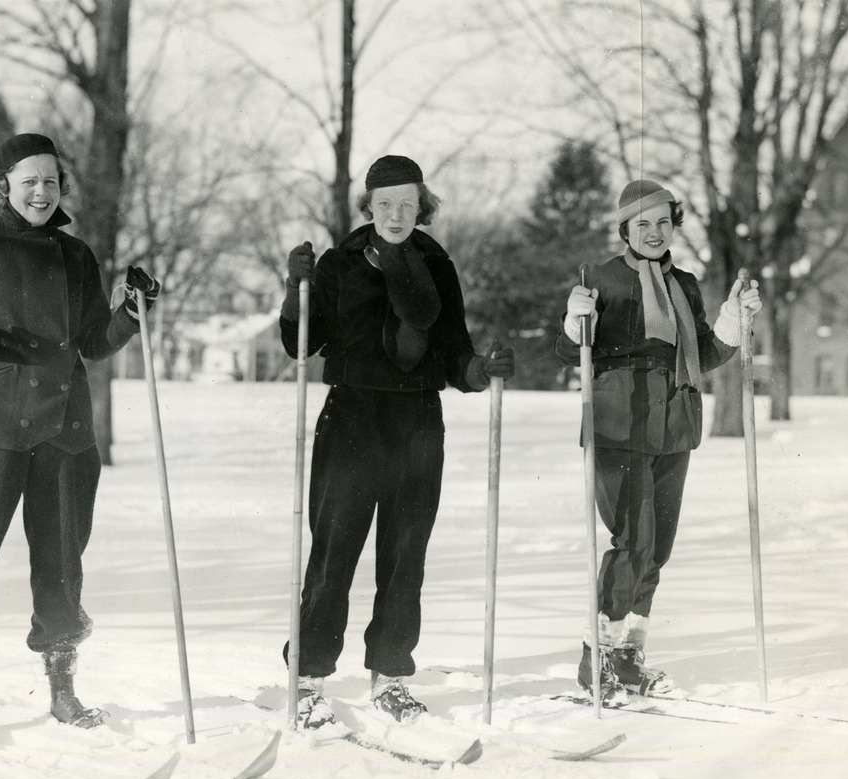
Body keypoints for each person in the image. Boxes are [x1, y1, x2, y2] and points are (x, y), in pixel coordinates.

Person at [0, 133, 160, 739]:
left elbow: (94, 343)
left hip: (64, 429)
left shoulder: (76, 255)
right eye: (29, 182)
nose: (41, 192)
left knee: (61, 562)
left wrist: (130, 313)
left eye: (51, 181)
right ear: (4, 186)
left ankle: (62, 689)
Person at [280, 155, 515, 728]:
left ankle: (390, 675)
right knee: (334, 550)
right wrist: (297, 288)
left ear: (421, 206)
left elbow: (453, 346)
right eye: (384, 203)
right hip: (353, 418)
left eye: (406, 204)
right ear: (369, 205)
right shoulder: (340, 263)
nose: (395, 214)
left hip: (416, 422)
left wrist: (480, 370)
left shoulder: (437, 262)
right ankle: (307, 678)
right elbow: (300, 344)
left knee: (406, 554)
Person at [555, 179, 762, 703]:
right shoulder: (599, 278)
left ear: (674, 225)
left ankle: (629, 655)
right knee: (634, 539)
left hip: (674, 423)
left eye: (662, 222)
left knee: (658, 547)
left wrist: (735, 317)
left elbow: (704, 355)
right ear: (625, 228)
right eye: (641, 224)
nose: (653, 232)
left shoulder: (685, 283)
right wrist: (574, 322)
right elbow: (567, 353)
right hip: (617, 423)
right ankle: (595, 655)